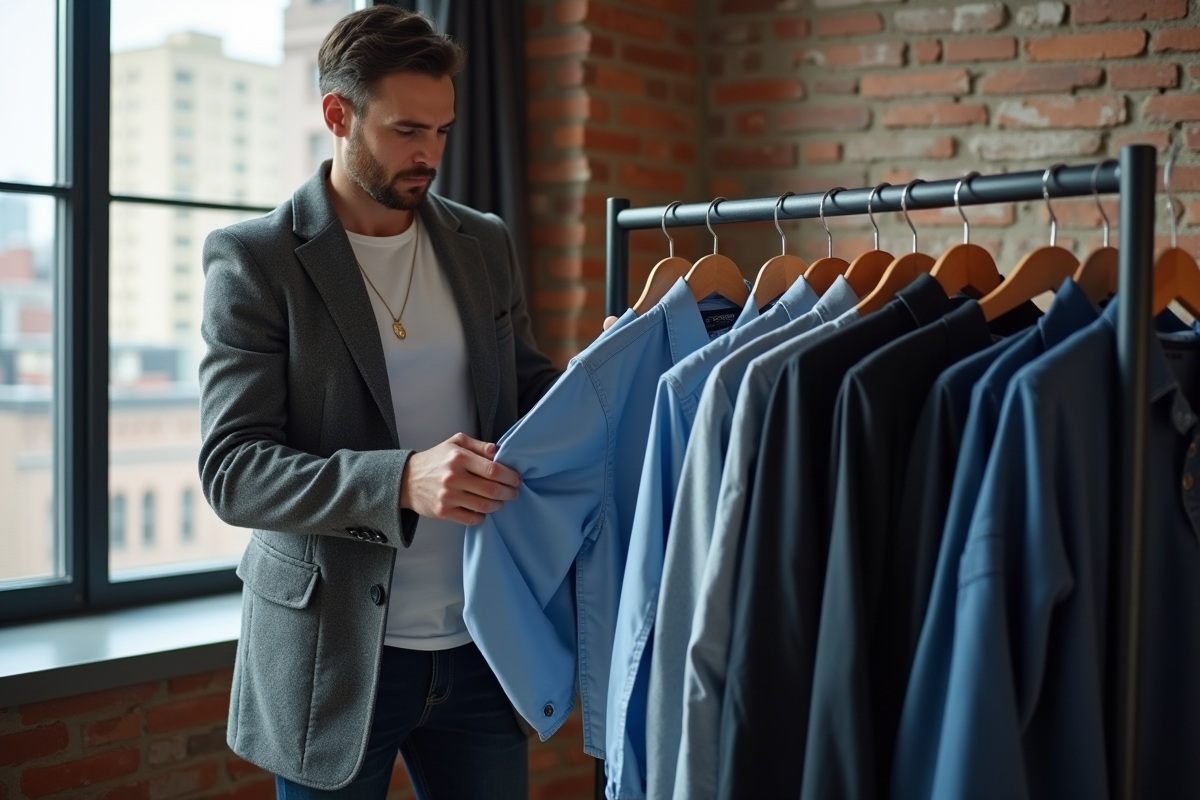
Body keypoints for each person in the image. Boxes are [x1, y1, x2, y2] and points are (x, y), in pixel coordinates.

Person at [197, 7, 562, 798]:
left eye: (442, 130)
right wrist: (399, 481)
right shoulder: (255, 261)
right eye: (405, 131)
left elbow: (527, 395)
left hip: (480, 648)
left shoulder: (483, 242)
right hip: (335, 660)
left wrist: (614, 367)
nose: (428, 153)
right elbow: (233, 469)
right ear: (338, 114)